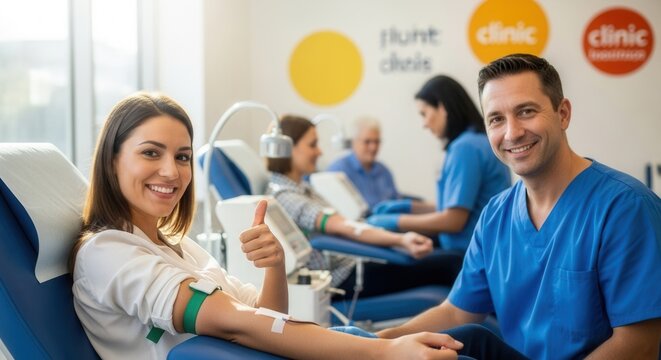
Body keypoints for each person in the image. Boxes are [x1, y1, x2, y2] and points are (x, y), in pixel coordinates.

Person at [68, 92, 470, 359]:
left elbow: (265, 314)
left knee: (476, 340)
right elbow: (236, 323)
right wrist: (381, 352)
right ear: (111, 160)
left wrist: (275, 265)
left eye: (184, 156)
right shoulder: (107, 253)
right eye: (151, 153)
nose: (171, 171)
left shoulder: (178, 246)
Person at [377, 54, 661, 359]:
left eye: (526, 111)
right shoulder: (495, 215)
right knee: (465, 337)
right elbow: (458, 312)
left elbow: (638, 345)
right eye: (496, 119)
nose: (512, 133)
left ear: (562, 114)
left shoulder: (625, 208)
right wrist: (374, 343)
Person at [266, 115, 463, 298]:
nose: (320, 151)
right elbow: (344, 226)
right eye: (313, 145)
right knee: (451, 264)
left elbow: (348, 224)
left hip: (355, 260)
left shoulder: (304, 189)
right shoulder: (286, 197)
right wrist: (401, 240)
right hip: (344, 278)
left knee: (449, 259)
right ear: (288, 148)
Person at [366, 75, 511, 253]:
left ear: (442, 108)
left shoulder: (465, 148)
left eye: (424, 114)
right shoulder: (475, 142)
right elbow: (458, 207)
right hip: (484, 249)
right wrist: (410, 207)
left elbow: (453, 220)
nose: (424, 124)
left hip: (468, 255)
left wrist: (396, 222)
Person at [326, 116, 412, 210]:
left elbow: (396, 201)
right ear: (354, 142)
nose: (373, 147)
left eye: (377, 142)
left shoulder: (384, 171)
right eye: (367, 142)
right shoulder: (337, 171)